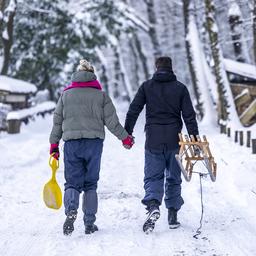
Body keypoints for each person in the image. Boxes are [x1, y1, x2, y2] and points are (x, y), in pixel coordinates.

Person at [49, 59, 134, 235]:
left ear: (76, 75)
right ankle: (89, 223)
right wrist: (125, 139)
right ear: (92, 75)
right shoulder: (101, 95)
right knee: (90, 184)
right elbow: (112, 122)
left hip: (72, 143)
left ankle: (71, 210)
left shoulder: (66, 95)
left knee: (72, 182)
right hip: (94, 144)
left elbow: (57, 122)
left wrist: (54, 145)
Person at [124, 56, 199, 233]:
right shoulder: (180, 88)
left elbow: (134, 110)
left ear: (156, 68)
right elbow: (189, 116)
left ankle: (153, 206)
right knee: (173, 176)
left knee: (153, 176)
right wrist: (194, 139)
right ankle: (172, 215)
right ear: (171, 68)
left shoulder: (146, 87)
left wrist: (127, 133)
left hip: (153, 139)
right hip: (175, 139)